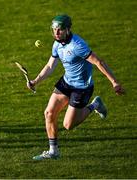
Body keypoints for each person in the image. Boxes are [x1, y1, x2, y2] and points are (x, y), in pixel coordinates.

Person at [27, 14, 124, 160]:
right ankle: (54, 152)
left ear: (68, 29)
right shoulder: (57, 44)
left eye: (59, 30)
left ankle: (95, 105)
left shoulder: (78, 45)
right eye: (54, 30)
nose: (56, 33)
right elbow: (50, 65)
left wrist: (114, 82)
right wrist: (35, 81)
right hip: (66, 83)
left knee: (68, 125)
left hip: (82, 88)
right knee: (49, 113)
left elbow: (98, 62)